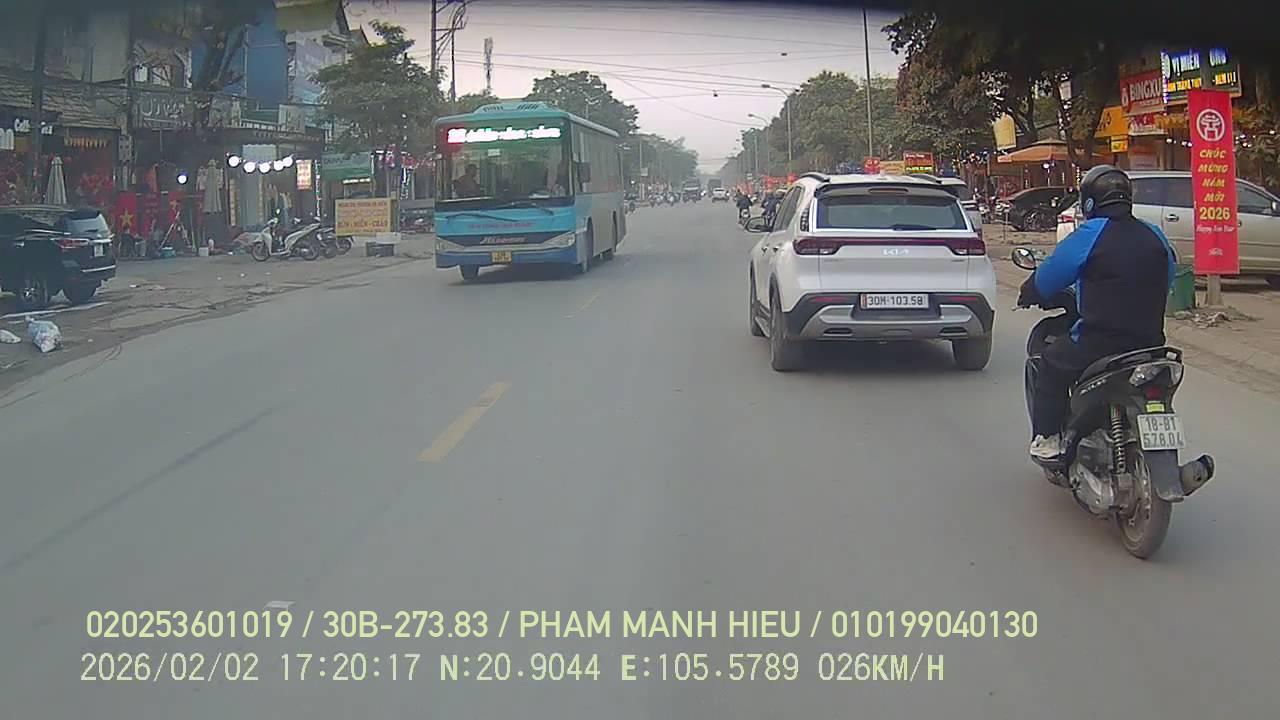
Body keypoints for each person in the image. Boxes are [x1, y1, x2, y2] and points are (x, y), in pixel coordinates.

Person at [1017, 165, 1176, 460]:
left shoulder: (1090, 234)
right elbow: (1168, 278)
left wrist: (1030, 291)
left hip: (1098, 344)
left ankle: (1048, 438)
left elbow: (1049, 276)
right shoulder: (1155, 234)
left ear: (1089, 202)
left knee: (1050, 364)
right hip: (1151, 345)